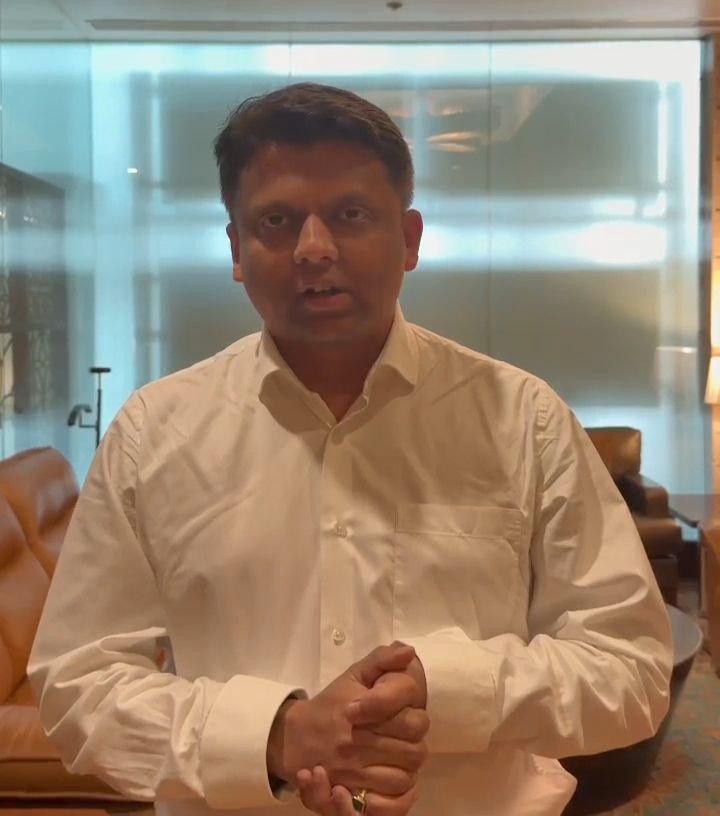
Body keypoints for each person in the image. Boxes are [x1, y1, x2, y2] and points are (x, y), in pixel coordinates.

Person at [28, 83, 673, 816]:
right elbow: (77, 686)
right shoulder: (153, 433)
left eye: (351, 214)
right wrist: (275, 736)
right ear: (237, 249)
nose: (314, 248)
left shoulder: (525, 420)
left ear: (410, 239)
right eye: (277, 220)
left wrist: (443, 690)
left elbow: (631, 669)